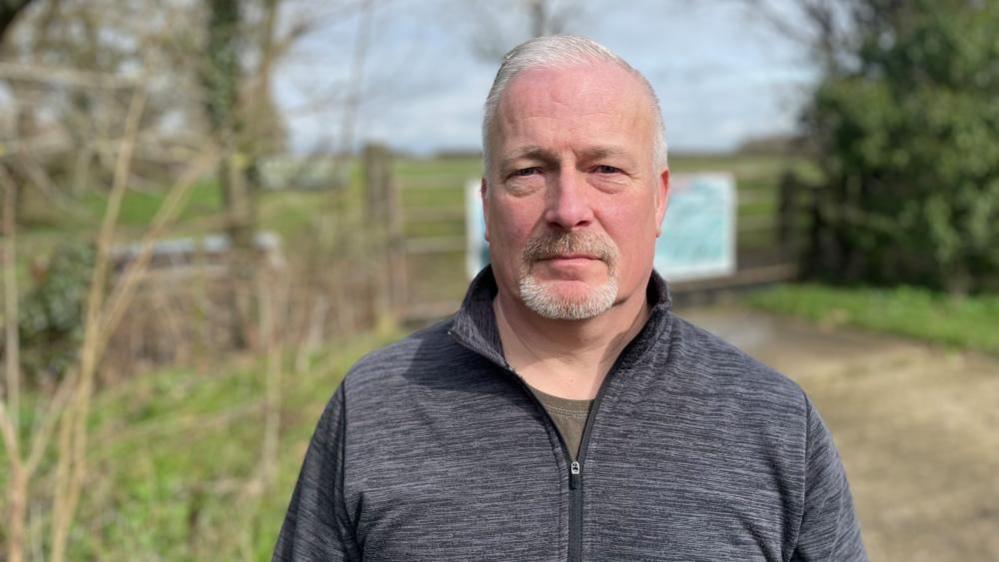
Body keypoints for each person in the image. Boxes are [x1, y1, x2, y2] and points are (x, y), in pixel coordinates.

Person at [272, 35, 866, 561]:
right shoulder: (374, 410)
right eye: (529, 172)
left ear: (660, 200)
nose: (568, 210)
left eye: (605, 168)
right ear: (486, 203)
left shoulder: (776, 423)